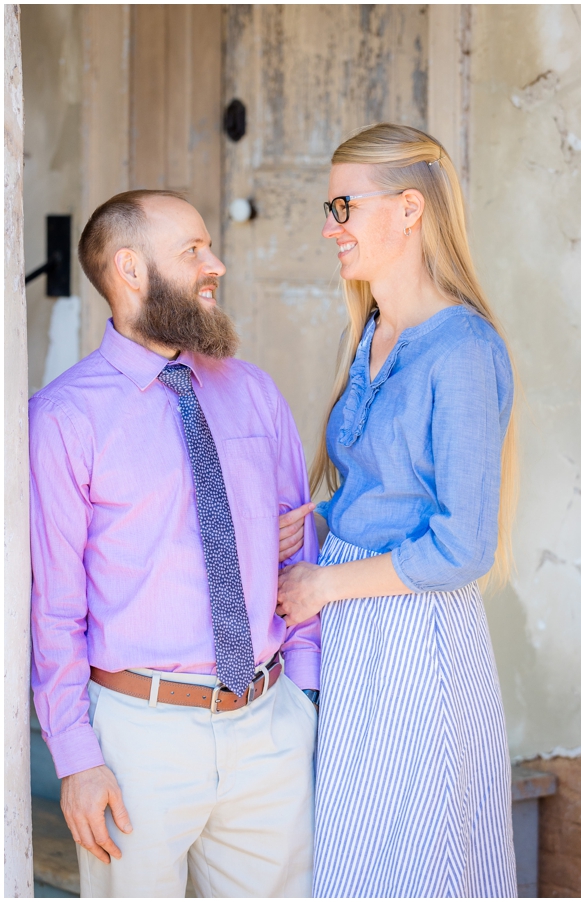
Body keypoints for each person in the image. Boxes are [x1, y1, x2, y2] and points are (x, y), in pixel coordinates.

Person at [29, 190, 321, 897]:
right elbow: (53, 607)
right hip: (138, 740)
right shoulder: (64, 419)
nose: (214, 263)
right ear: (130, 268)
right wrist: (75, 757)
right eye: (192, 250)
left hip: (269, 726)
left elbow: (297, 551)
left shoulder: (253, 392)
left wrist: (305, 699)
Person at [274, 124, 518, 898]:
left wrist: (321, 586)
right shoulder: (373, 331)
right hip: (354, 631)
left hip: (415, 634)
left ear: (410, 209)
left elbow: (464, 545)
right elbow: (379, 484)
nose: (329, 226)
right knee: (354, 857)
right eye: (329, 206)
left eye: (344, 205)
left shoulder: (463, 349)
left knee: (416, 863)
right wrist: (317, 520)